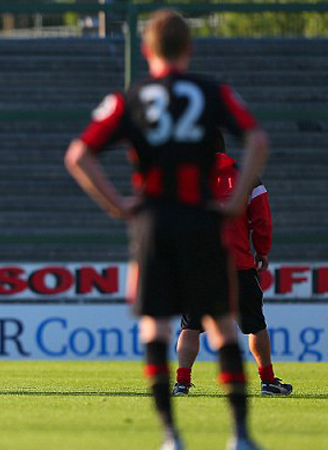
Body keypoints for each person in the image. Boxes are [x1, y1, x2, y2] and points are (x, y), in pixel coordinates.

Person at [65, 9, 269, 450]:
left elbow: (78, 154)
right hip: (202, 219)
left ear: (146, 50)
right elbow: (257, 140)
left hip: (153, 222)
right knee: (223, 325)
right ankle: (239, 434)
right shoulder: (213, 92)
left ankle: (171, 436)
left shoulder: (130, 98)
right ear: (188, 49)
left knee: (156, 329)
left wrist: (118, 205)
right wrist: (235, 201)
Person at [173, 129, 292, 397]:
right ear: (223, 147)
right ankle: (268, 381)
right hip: (238, 264)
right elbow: (262, 220)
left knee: (190, 326)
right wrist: (262, 250)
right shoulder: (246, 176)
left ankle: (181, 383)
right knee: (255, 325)